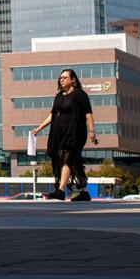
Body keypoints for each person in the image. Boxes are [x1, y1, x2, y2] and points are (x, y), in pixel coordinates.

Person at [29, 68, 98, 201]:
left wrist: (92, 132)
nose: (62, 79)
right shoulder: (59, 96)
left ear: (73, 80)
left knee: (67, 158)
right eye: (61, 77)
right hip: (60, 134)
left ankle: (60, 190)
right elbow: (52, 115)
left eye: (65, 77)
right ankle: (84, 192)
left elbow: (88, 113)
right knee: (74, 162)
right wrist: (38, 128)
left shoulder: (79, 94)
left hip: (75, 133)